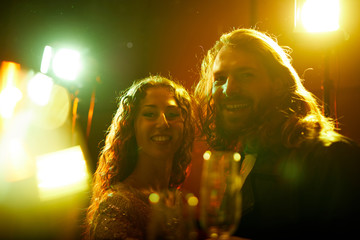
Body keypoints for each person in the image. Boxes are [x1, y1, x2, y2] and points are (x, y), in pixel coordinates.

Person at [194, 28, 360, 239]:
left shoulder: (332, 156)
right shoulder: (243, 158)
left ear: (278, 85)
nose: (229, 89)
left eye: (246, 75)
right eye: (220, 79)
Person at [84, 75, 196, 240]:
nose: (163, 123)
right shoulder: (117, 206)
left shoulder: (179, 202)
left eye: (172, 114)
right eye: (150, 114)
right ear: (131, 126)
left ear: (185, 126)